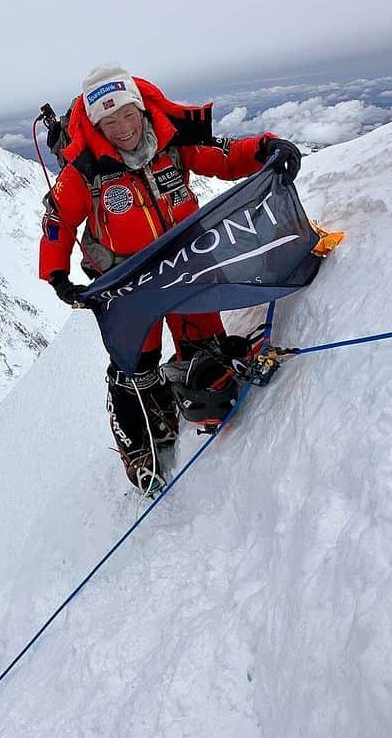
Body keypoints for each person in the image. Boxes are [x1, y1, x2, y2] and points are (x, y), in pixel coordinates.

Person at [39, 64, 302, 494]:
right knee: (134, 366)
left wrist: (265, 149)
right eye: (109, 120)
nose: (122, 127)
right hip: (127, 281)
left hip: (188, 264)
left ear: (141, 110)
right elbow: (57, 222)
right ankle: (138, 442)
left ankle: (189, 391)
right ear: (96, 125)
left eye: (128, 114)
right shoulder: (84, 172)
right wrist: (56, 274)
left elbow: (223, 157)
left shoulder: (172, 144)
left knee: (203, 346)